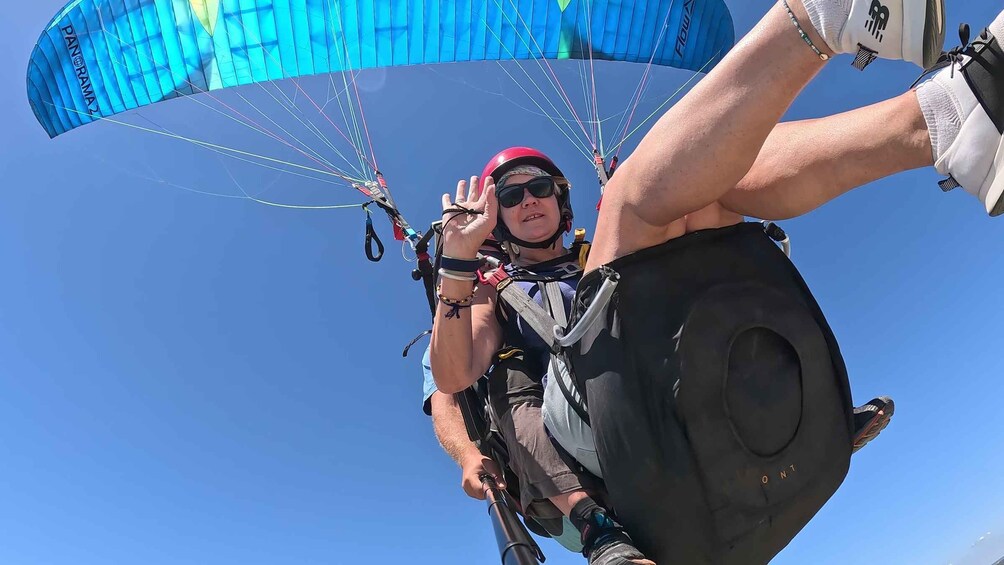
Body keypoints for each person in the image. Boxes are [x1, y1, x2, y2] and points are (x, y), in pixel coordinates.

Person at [433, 0, 1001, 562]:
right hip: (599, 428)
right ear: (497, 217)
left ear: (560, 199)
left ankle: (944, 120)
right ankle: (821, 21)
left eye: (539, 188)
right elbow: (451, 379)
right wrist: (457, 265)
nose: (527, 200)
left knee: (714, 182)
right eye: (510, 195)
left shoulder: (591, 252)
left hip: (679, 372)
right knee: (634, 198)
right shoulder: (488, 289)